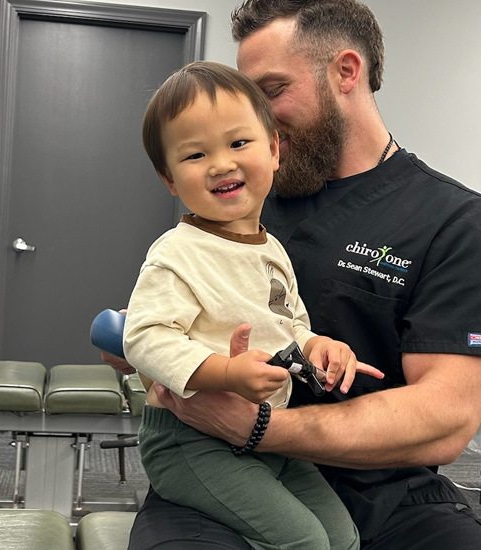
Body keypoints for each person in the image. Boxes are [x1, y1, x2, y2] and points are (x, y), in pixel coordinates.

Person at [105, 1, 481, 548]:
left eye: (272, 92)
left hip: (382, 488)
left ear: (346, 72)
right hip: (220, 471)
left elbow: (447, 417)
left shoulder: (461, 224)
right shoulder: (241, 199)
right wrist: (139, 350)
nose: (254, 123)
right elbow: (158, 331)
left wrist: (262, 428)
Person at [124, 60, 385, 550]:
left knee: (342, 537)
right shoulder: (176, 252)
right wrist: (224, 374)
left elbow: (291, 325)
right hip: (190, 442)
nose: (221, 164)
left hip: (268, 432)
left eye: (238, 143)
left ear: (273, 150)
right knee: (304, 540)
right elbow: (145, 336)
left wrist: (320, 346)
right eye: (196, 154)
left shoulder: (271, 248)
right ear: (169, 179)